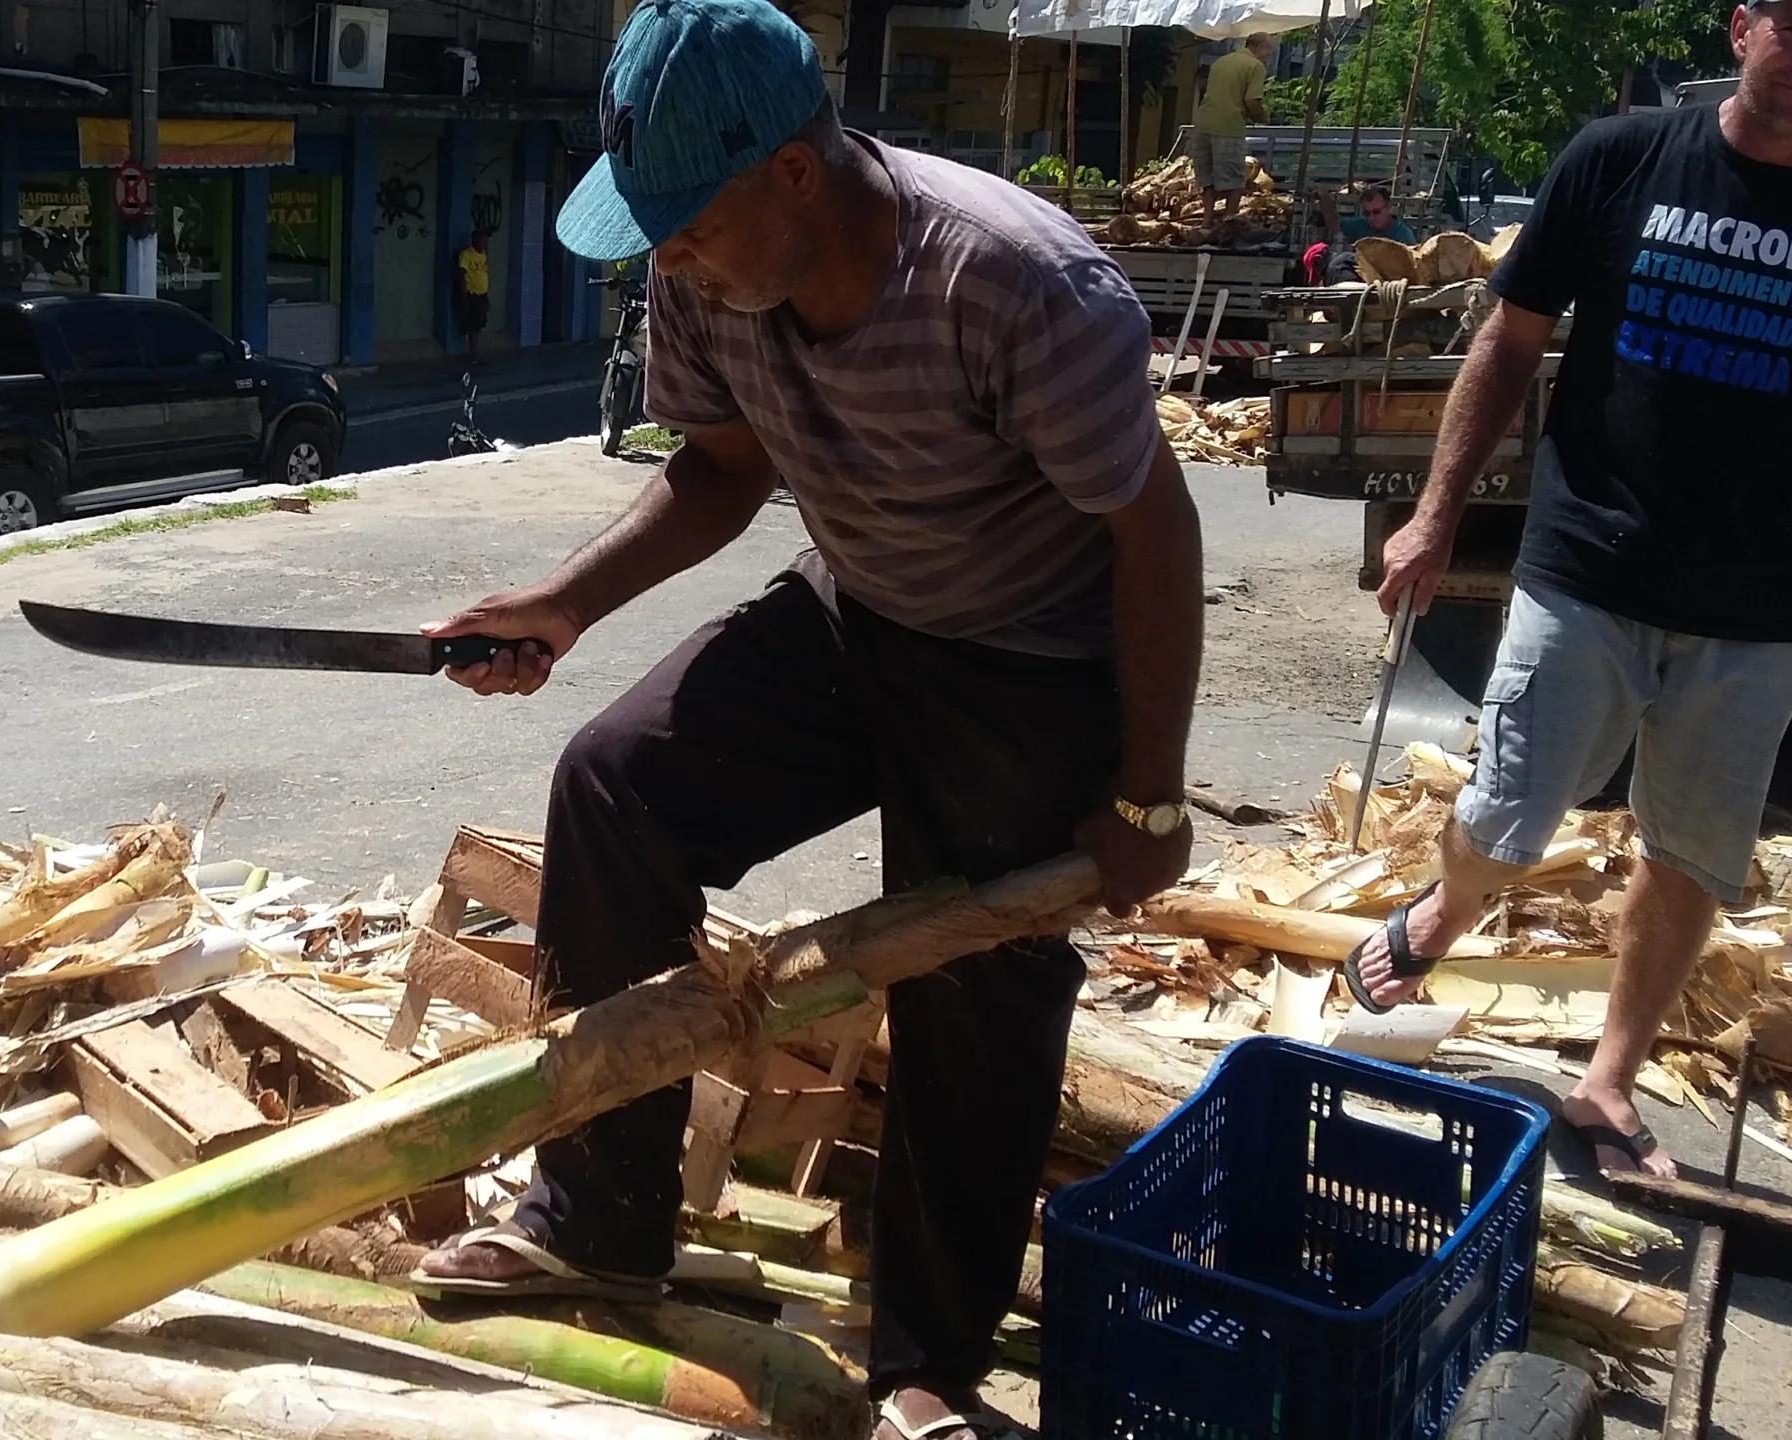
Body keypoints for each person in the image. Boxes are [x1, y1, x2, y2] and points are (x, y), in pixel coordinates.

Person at [410, 3, 1203, 1436]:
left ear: (793, 170)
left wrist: (1149, 794)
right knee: (614, 788)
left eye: (686, 222)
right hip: (856, 606)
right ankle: (600, 1220)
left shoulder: (1020, 286)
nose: (669, 255)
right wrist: (563, 603)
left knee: (974, 972)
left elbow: (1154, 531)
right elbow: (720, 472)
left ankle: (923, 1364)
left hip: (1030, 656)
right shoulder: (707, 272)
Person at [1351, 0, 1792, 1180]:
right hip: (1586, 559)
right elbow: (1508, 336)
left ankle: (1606, 1081)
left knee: (1689, 850)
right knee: (1505, 812)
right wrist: (1434, 515)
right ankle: (1442, 913)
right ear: (1742, 30)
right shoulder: (1618, 155)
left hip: (1755, 601)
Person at [1194, 33, 1273, 218]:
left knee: (1207, 178)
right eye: (1269, 49)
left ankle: (1207, 221)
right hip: (1229, 127)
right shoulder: (1255, 66)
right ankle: (1229, 220)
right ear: (1260, 47)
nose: (1270, 54)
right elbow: (1252, 101)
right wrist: (1262, 117)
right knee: (1235, 179)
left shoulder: (1221, 62)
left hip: (1203, 123)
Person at [457, 233, 491, 357]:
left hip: (482, 293)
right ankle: (474, 354)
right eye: (482, 240)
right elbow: (461, 275)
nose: (484, 244)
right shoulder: (466, 255)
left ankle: (475, 353)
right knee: (473, 325)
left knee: (479, 323)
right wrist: (464, 297)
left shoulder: (482, 255)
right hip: (472, 294)